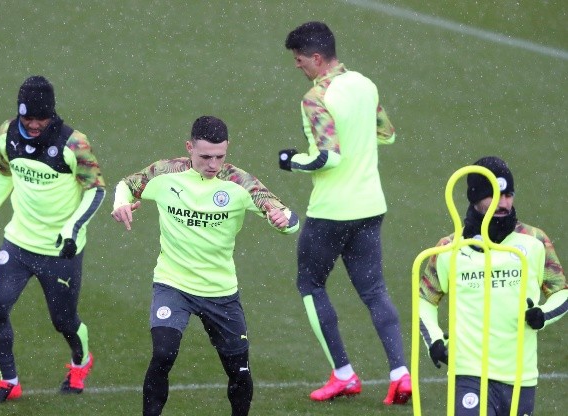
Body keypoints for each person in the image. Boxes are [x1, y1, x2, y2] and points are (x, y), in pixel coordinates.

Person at [111, 115, 299, 416]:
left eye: (220, 157)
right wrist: (120, 203)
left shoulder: (240, 182)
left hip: (220, 291)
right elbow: (127, 184)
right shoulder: (165, 173)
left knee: (238, 371)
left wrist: (282, 222)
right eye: (205, 157)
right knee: (163, 353)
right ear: (189, 148)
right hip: (173, 284)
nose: (213, 165)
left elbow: (288, 218)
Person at [278, 21, 411, 405]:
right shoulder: (365, 85)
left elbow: (327, 156)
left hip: (332, 211)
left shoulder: (315, 98)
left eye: (300, 60)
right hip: (371, 206)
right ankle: (400, 374)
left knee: (310, 285)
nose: (298, 67)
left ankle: (344, 374)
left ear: (317, 59)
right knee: (374, 291)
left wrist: (291, 161)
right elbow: (387, 134)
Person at [0, 75, 106, 404]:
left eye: (42, 119)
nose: (35, 125)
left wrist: (71, 231)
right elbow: (2, 175)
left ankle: (80, 363)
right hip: (18, 244)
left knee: (64, 322)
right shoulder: (6, 134)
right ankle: (9, 381)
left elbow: (96, 191)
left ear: (52, 114)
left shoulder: (74, 144)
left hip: (59, 251)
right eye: (28, 119)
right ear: (19, 113)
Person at [419, 156, 567, 416]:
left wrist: (543, 315)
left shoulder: (534, 241)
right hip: (469, 373)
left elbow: (561, 292)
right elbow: (425, 299)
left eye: (508, 194)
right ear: (475, 199)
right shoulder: (448, 248)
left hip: (521, 376)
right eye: (494, 195)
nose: (504, 203)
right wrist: (433, 339)